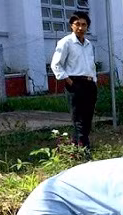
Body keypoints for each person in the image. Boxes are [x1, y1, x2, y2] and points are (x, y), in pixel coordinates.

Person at [51, 11, 97, 149]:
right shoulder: (66, 42)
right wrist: (68, 80)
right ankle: (84, 148)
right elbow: (56, 64)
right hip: (76, 83)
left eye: (84, 25)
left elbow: (91, 65)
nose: (81, 28)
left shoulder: (88, 44)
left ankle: (76, 146)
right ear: (72, 26)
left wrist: (94, 80)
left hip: (89, 84)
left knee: (88, 118)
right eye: (77, 24)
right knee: (79, 119)